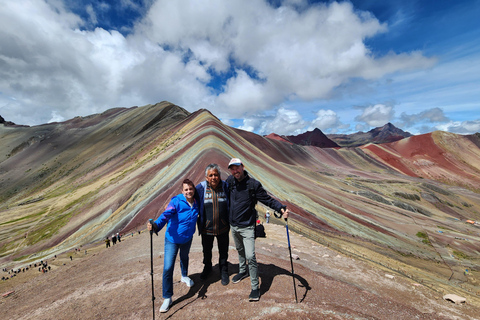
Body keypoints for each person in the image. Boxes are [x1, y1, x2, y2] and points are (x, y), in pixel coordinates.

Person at [226, 158, 289, 301]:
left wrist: (281, 207)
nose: (235, 171)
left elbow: (267, 199)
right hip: (234, 225)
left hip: (247, 227)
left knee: (250, 256)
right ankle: (243, 271)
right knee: (240, 250)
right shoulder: (230, 182)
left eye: (237, 167)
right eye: (232, 168)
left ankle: (255, 287)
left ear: (242, 166)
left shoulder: (253, 185)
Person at [147, 179, 199, 313]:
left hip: (187, 238)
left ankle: (184, 276)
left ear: (194, 190)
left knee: (184, 257)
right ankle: (167, 297)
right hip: (172, 240)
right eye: (186, 190)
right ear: (182, 191)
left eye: (190, 189)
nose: (188, 191)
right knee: (168, 267)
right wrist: (156, 225)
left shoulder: (196, 202)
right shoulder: (176, 201)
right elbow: (166, 215)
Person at [196, 164, 230, 285]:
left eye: (216, 174)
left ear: (219, 176)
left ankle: (224, 270)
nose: (214, 177)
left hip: (223, 227)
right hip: (207, 228)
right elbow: (187, 197)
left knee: (223, 250)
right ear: (206, 177)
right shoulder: (200, 189)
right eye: (211, 175)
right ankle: (207, 267)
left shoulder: (226, 186)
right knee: (206, 250)